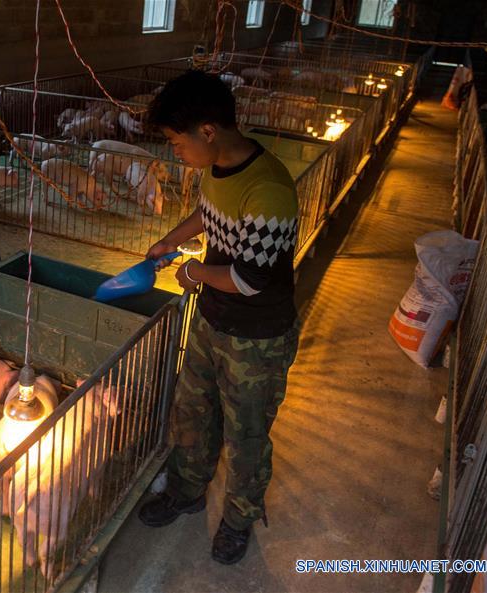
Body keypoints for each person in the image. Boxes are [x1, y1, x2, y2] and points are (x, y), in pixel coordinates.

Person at [138, 70, 301, 565]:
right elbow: (208, 214)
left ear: (207, 131)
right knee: (192, 410)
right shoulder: (217, 169)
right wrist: (172, 239)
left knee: (246, 434)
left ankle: (238, 519)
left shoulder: (270, 191)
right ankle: (186, 490)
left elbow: (250, 280)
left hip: (257, 337)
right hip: (213, 322)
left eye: (175, 141)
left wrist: (194, 271)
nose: (175, 153)